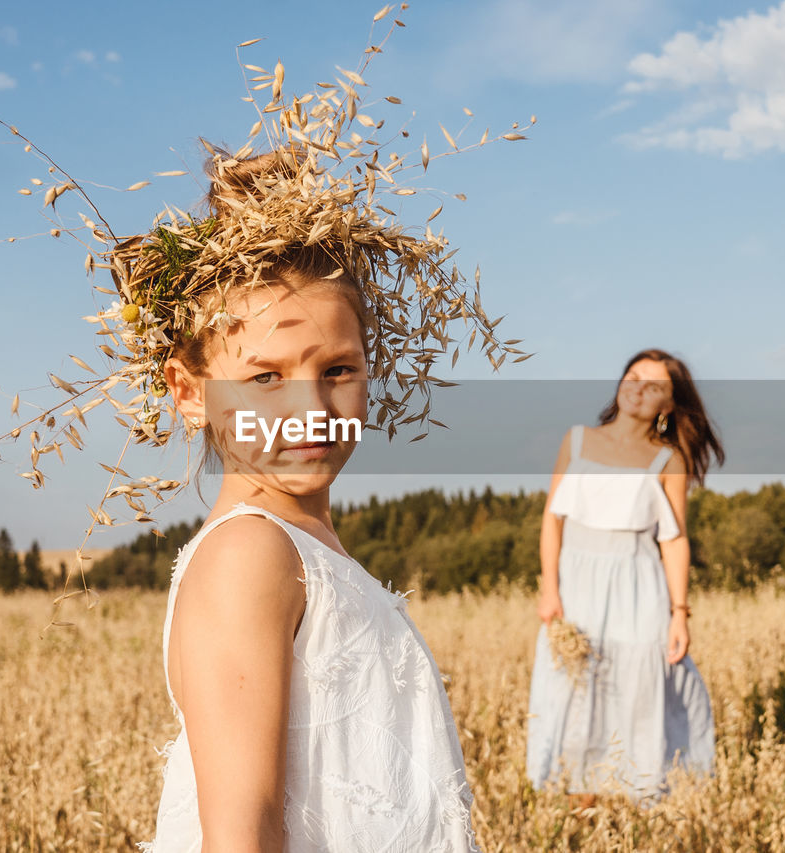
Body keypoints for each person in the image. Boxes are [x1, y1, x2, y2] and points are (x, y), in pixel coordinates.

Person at [130, 138, 516, 847]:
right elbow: (243, 832)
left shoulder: (303, 547)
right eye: (266, 377)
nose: (311, 406)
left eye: (338, 368)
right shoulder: (249, 554)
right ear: (189, 392)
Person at [526, 348, 724, 801]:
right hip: (577, 586)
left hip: (638, 587)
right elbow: (551, 520)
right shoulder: (576, 440)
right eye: (633, 376)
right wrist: (550, 589)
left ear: (669, 405)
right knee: (576, 692)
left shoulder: (668, 459)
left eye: (653, 385)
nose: (638, 388)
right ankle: (580, 809)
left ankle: (639, 804)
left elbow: (673, 539)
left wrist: (679, 613)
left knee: (637, 691)